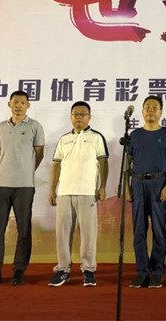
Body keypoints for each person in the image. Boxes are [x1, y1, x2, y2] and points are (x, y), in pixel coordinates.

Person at [0, 91, 45, 286]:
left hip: (24, 185)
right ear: (9, 104)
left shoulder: (35, 126)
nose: (18, 106)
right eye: (15, 102)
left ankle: (19, 271)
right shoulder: (1, 127)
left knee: (24, 230)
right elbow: (1, 153)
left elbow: (39, 153)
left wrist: (26, 170)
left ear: (28, 105)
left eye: (22, 102)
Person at [48, 101, 109, 287]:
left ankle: (88, 269)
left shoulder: (96, 138)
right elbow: (56, 165)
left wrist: (102, 186)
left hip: (87, 192)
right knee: (62, 233)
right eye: (76, 114)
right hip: (64, 192)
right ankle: (63, 269)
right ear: (71, 117)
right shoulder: (64, 139)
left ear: (89, 117)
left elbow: (103, 163)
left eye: (83, 114)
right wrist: (52, 189)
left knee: (88, 233)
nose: (79, 117)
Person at [125, 96, 166, 289]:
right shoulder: (134, 135)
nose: (151, 110)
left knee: (158, 229)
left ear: (161, 112)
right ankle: (141, 271)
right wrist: (127, 188)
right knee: (139, 229)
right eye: (147, 107)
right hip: (138, 184)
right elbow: (127, 163)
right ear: (142, 111)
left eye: (155, 107)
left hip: (158, 183)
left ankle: (157, 271)